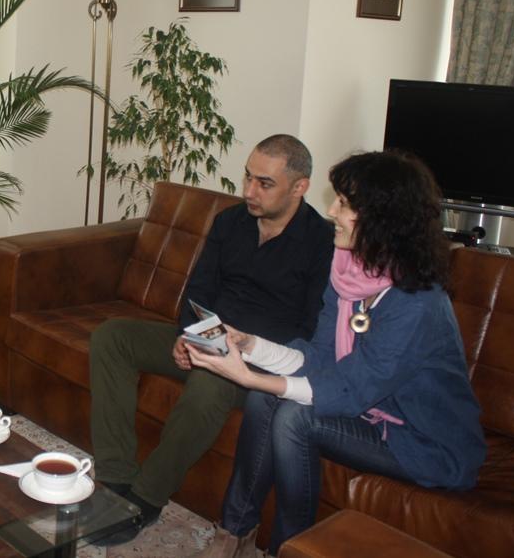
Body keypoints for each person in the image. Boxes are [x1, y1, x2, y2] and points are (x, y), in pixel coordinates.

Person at [188, 151, 485, 557]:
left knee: (295, 416)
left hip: (423, 441)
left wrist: (249, 375)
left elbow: (348, 390)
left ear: (382, 218)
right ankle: (236, 532)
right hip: (369, 412)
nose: (331, 211)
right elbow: (319, 357)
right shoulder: (349, 273)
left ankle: (290, 548)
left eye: (344, 204)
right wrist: (251, 345)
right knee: (267, 398)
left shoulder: (417, 303)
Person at [89, 135, 334, 545]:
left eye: (264, 183)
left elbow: (309, 329)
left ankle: (146, 498)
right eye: (248, 177)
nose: (249, 191)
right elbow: (199, 290)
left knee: (210, 383)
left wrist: (244, 346)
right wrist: (188, 336)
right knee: (113, 336)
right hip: (207, 338)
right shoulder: (231, 222)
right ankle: (115, 478)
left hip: (257, 360)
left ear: (299, 187)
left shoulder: (322, 244)